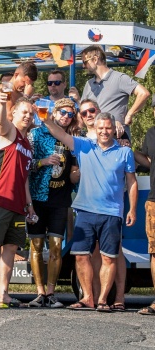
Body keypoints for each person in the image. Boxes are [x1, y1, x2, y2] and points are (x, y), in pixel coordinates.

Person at [38, 110, 138, 311]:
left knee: (109, 258)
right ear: (95, 128)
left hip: (112, 212)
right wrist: (46, 119)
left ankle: (102, 300)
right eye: (100, 128)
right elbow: (60, 134)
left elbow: (132, 182)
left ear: (114, 129)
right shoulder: (84, 145)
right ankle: (88, 298)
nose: (104, 131)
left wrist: (132, 209)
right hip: (84, 211)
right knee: (81, 256)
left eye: (108, 128)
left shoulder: (124, 152)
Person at [0, 96, 36, 309]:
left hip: (18, 205)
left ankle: (3, 294)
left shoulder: (27, 143)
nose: (28, 116)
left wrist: (29, 206)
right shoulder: (9, 131)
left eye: (31, 113)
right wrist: (2, 104)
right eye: (24, 112)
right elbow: (0, 124)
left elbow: (24, 178)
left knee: (10, 248)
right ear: (14, 114)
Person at [27, 98, 79, 308]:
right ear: (54, 113)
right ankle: (39, 293)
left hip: (60, 198)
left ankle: (51, 292)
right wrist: (42, 162)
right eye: (63, 113)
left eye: (70, 114)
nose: (66, 117)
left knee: (56, 246)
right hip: (38, 197)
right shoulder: (36, 134)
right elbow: (24, 164)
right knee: (37, 245)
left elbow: (76, 165)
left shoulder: (71, 138)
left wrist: (76, 173)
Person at [78, 99, 129, 311]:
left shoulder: (117, 133)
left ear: (98, 111)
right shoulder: (81, 138)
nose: (88, 114)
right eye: (84, 112)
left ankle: (117, 297)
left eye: (91, 110)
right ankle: (96, 297)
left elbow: (129, 169)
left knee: (114, 252)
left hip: (113, 200)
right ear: (81, 117)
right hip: (86, 201)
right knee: (91, 253)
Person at [81, 44, 150, 138]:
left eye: (85, 62)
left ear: (95, 59)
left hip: (118, 138)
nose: (83, 66)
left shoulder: (119, 78)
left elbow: (143, 93)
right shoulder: (88, 84)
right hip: (96, 139)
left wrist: (130, 114)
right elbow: (82, 112)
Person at [136, 95, 155, 315]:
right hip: (154, 200)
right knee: (154, 253)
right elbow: (149, 163)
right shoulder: (151, 133)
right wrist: (129, 151)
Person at [0, 62, 38, 132]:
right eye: (24, 82)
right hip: (4, 139)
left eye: (29, 84)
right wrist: (26, 96)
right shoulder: (5, 88)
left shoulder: (21, 94)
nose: (26, 86)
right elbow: (9, 116)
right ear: (16, 75)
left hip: (18, 139)